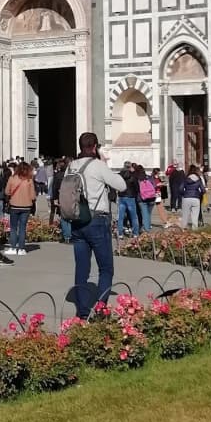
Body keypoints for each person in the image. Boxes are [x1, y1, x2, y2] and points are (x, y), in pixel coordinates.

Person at [68, 132, 126, 319]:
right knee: (106, 268)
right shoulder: (98, 166)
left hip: (77, 221)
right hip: (97, 221)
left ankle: (82, 312)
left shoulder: (72, 166)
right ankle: (101, 309)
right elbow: (121, 185)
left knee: (81, 269)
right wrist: (102, 160)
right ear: (94, 147)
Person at [5, 161, 36, 255]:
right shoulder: (29, 180)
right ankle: (21, 248)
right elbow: (33, 196)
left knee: (13, 227)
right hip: (26, 206)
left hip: (14, 205)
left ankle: (13, 247)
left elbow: (7, 192)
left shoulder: (12, 178)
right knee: (22, 227)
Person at [117, 164, 140, 237]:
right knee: (133, 216)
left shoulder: (119, 176)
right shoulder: (133, 176)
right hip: (131, 197)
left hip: (122, 197)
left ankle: (120, 233)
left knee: (121, 217)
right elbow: (137, 188)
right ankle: (135, 233)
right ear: (130, 167)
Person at [179, 164, 205, 229]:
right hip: (196, 199)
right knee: (195, 218)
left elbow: (180, 189)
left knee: (185, 217)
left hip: (186, 198)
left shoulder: (185, 179)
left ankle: (183, 231)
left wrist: (184, 194)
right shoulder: (198, 179)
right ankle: (195, 232)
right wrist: (198, 194)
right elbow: (203, 190)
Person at [137, 165, 158, 231]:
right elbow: (154, 186)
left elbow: (136, 189)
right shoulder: (149, 177)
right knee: (149, 213)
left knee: (145, 214)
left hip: (142, 199)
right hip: (152, 198)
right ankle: (148, 225)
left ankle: (147, 229)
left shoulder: (138, 179)